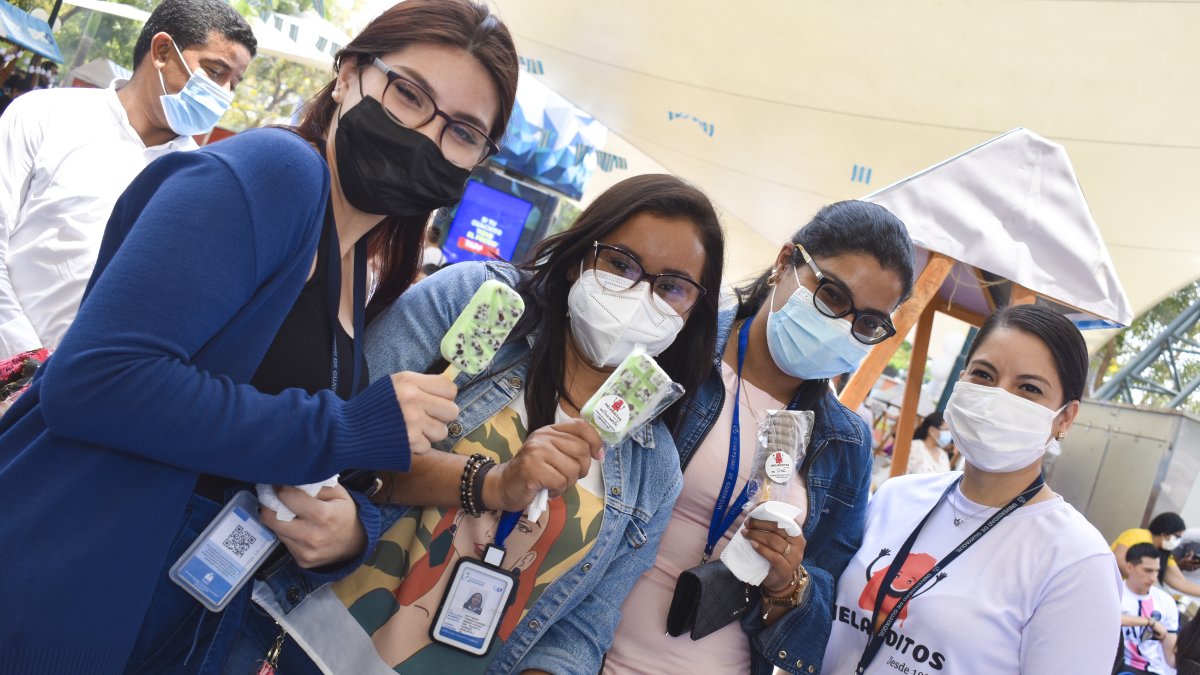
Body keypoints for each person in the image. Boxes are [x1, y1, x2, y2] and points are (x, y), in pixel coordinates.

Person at [0, 0, 518, 671]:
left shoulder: (356, 258)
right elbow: (97, 378)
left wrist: (347, 528)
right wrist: (345, 427)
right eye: (410, 93)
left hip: (173, 619)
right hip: (61, 594)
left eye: (463, 132)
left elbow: (266, 437)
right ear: (349, 74)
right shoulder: (277, 173)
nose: (426, 134)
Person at [261, 173, 725, 674]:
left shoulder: (654, 471)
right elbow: (335, 431)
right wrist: (495, 484)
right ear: (578, 259)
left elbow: (583, 627)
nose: (639, 293)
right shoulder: (475, 299)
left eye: (672, 286)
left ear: (694, 308)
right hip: (295, 637)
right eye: (620, 263)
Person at [605, 200, 916, 675]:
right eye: (831, 295)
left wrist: (789, 583)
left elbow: (823, 602)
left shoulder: (845, 442)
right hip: (582, 650)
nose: (843, 327)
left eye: (869, 323)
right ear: (785, 263)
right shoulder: (675, 350)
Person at [821, 304, 1122, 674]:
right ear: (961, 380)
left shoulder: (1076, 561)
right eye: (984, 375)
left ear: (1065, 417)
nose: (998, 397)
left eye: (1029, 388)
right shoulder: (896, 497)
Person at [0, 0, 256, 361]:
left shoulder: (200, 179)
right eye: (216, 72)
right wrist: (22, 360)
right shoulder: (43, 115)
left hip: (88, 392)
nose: (225, 95)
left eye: (234, 83)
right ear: (162, 51)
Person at [1119, 543, 1179, 675]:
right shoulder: (1116, 593)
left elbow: (1171, 658)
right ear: (1129, 567)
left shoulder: (1166, 601)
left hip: (1156, 670)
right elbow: (1109, 618)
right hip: (1123, 664)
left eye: (1157, 571)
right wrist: (1149, 622)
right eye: (1148, 570)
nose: (1153, 577)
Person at [1113, 512, 1200, 596]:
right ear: (1164, 534)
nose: (1178, 540)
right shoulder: (1138, 535)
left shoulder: (1162, 553)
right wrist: (1143, 580)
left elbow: (1181, 583)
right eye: (1177, 536)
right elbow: (1118, 560)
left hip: (1123, 593)